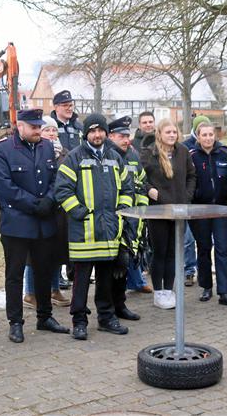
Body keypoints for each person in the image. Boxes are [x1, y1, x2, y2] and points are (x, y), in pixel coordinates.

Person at [0, 109, 71, 343]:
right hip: (17, 223)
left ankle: (45, 316)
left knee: (44, 271)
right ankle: (15, 322)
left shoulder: (46, 147)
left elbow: (57, 177)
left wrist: (49, 199)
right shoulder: (2, 149)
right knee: (14, 275)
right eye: (34, 127)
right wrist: (33, 204)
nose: (38, 131)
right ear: (20, 125)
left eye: (40, 126)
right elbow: (4, 185)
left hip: (44, 221)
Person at [54, 113, 135, 340]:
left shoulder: (115, 158)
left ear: (106, 134)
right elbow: (62, 190)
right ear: (86, 134)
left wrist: (121, 211)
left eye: (101, 131)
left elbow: (128, 189)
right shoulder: (74, 157)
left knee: (106, 279)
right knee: (80, 281)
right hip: (85, 233)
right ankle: (79, 321)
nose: (97, 135)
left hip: (110, 232)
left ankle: (106, 318)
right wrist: (79, 212)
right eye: (92, 131)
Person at [141, 118, 197, 309]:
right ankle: (158, 292)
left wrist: (187, 196)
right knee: (160, 252)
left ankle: (169, 290)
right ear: (160, 134)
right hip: (158, 211)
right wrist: (150, 191)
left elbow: (191, 176)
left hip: (179, 209)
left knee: (173, 252)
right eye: (168, 132)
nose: (172, 135)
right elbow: (140, 178)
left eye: (174, 132)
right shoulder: (150, 153)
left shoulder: (182, 152)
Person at [189, 122, 227, 308]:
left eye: (211, 134)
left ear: (215, 136)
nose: (208, 138)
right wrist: (194, 196)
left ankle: (225, 292)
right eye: (204, 135)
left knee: (222, 249)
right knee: (203, 249)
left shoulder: (225, 153)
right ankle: (206, 286)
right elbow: (188, 180)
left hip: (221, 210)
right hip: (200, 211)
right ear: (198, 136)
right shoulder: (192, 156)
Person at [22, 116, 71, 309]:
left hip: (60, 212)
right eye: (47, 130)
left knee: (57, 251)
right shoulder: (34, 153)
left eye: (54, 131)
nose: (51, 134)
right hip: (40, 209)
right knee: (33, 255)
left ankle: (54, 289)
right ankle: (30, 293)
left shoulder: (66, 154)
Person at [105, 116, 146, 319]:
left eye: (127, 136)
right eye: (121, 136)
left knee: (124, 264)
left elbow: (141, 185)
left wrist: (142, 215)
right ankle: (108, 309)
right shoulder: (106, 155)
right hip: (112, 221)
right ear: (110, 136)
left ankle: (120, 305)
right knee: (110, 268)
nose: (126, 140)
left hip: (131, 220)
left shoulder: (132, 156)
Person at [180, 116, 208, 286]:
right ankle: (189, 271)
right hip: (189, 200)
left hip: (205, 203)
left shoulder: (212, 146)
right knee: (188, 239)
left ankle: (204, 272)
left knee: (206, 241)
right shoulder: (185, 147)